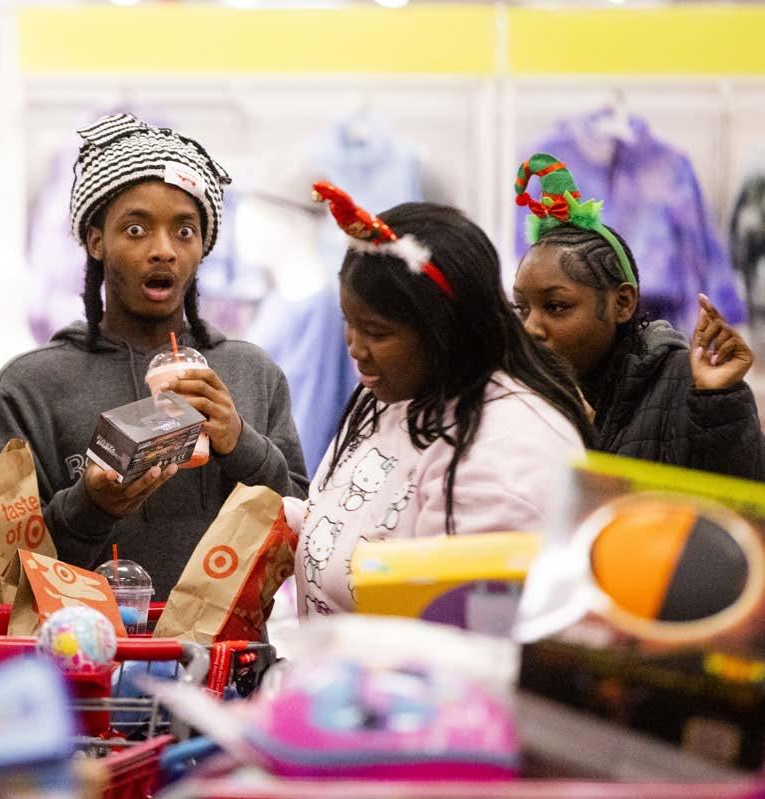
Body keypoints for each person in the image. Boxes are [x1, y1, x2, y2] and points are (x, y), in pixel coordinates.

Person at [0, 114, 308, 600]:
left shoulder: (250, 372)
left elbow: (300, 522)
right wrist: (91, 504)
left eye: (184, 231)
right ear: (96, 241)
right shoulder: (30, 386)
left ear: (204, 245)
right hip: (82, 661)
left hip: (226, 663)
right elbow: (1, 567)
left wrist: (240, 443)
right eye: (135, 230)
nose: (163, 251)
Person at [296, 183, 593, 618]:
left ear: (447, 329)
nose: (355, 348)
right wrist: (291, 525)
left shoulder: (509, 451)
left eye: (377, 332)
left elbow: (464, 641)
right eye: (349, 323)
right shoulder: (396, 391)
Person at [511, 153, 765, 482]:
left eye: (556, 306)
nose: (531, 327)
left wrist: (718, 402)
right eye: (522, 308)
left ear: (623, 303)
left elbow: (739, 509)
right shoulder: (536, 393)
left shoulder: (689, 383)